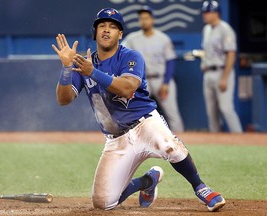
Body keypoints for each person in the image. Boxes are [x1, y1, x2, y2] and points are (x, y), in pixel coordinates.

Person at [52, 8, 225, 212]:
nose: (107, 30)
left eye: (113, 27)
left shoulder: (130, 56)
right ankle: (146, 182)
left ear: (120, 34)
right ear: (95, 32)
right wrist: (66, 68)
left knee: (171, 146)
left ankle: (201, 187)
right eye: (102, 26)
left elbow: (127, 88)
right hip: (116, 140)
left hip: (145, 124)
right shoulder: (82, 65)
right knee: (102, 203)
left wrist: (94, 72)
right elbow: (64, 99)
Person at [122, 6, 184, 132]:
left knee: (173, 115)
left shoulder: (162, 38)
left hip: (161, 79)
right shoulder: (132, 39)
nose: (144, 21)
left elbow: (170, 61)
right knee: (134, 114)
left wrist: (166, 83)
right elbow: (119, 52)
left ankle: (182, 145)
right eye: (141, 18)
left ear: (152, 20)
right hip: (142, 82)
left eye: (146, 18)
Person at [201, 1, 243, 133]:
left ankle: (240, 138)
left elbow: (231, 54)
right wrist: (204, 63)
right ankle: (216, 141)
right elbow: (206, 51)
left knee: (226, 108)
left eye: (208, 12)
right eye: (205, 12)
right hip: (208, 73)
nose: (205, 15)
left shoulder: (225, 29)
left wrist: (224, 78)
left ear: (216, 13)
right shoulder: (206, 29)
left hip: (223, 71)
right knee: (211, 111)